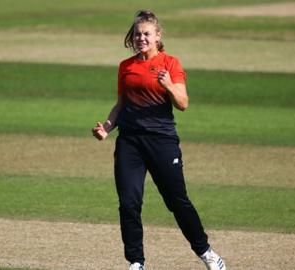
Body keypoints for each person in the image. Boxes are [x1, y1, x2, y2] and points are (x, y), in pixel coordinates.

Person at [92, 10, 226, 270]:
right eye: (137, 34)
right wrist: (107, 128)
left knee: (177, 201)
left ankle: (207, 253)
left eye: (146, 34)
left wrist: (168, 85)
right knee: (129, 202)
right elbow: (121, 105)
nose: (141, 38)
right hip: (130, 142)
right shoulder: (126, 67)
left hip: (162, 141)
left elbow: (183, 104)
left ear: (157, 36)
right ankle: (136, 262)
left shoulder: (171, 63)